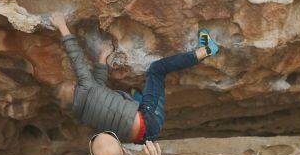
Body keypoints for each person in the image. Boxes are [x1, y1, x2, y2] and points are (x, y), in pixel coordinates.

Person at [50, 12, 219, 143]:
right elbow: (76, 57)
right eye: (72, 84)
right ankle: (207, 49)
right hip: (148, 119)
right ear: (74, 89)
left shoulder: (83, 114)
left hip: (144, 138)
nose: (75, 83)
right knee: (156, 70)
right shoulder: (85, 87)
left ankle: (138, 99)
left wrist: (102, 57)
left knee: (131, 92)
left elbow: (99, 84)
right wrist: (62, 25)